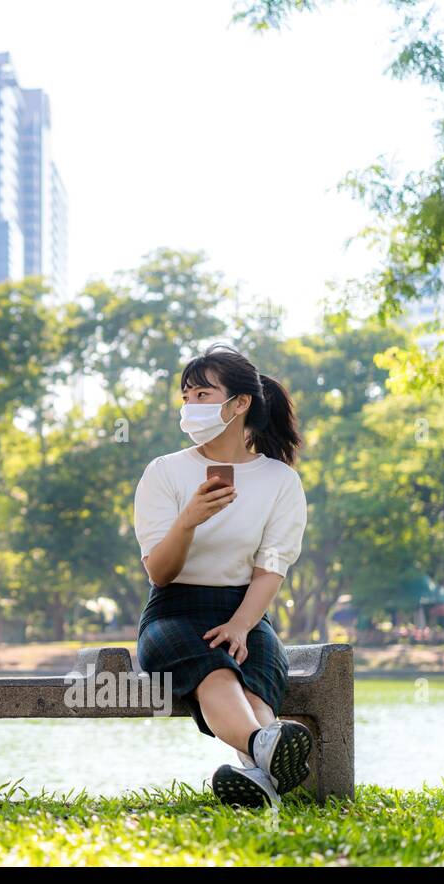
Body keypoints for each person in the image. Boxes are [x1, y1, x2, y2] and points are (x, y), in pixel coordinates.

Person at [133, 343, 311, 808]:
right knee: (215, 670)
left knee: (254, 676)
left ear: (240, 403)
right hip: (174, 611)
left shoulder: (280, 481)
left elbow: (272, 567)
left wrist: (242, 625)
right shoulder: (165, 472)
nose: (190, 406)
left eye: (202, 395)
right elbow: (161, 572)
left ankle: (257, 779)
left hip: (247, 611)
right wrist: (187, 520)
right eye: (186, 396)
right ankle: (262, 748)